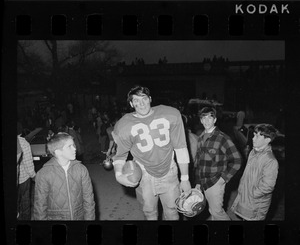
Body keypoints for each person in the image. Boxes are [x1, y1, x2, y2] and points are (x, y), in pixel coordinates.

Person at [112, 85, 191, 220]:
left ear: (150, 99)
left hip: (169, 171)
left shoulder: (170, 114)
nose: (141, 103)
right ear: (131, 104)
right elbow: (120, 156)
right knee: (149, 213)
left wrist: (185, 178)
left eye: (144, 98)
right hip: (144, 174)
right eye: (136, 100)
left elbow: (181, 148)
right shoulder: (124, 124)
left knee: (173, 212)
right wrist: (119, 175)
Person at [33, 132, 95, 220]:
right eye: (69, 146)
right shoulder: (44, 174)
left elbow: (89, 200)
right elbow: (40, 206)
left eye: (74, 145)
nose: (74, 149)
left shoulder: (81, 169)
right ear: (58, 152)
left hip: (79, 217)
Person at [194, 106, 242, 220]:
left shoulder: (223, 138)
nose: (206, 121)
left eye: (210, 118)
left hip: (215, 182)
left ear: (215, 120)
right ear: (200, 120)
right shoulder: (200, 138)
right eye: (203, 118)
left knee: (217, 212)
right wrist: (198, 183)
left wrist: (224, 178)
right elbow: (199, 163)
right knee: (212, 211)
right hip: (203, 182)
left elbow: (237, 160)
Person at [230, 124, 279, 220]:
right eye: (254, 135)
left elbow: (268, 186)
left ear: (267, 140)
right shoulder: (253, 152)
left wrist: (252, 194)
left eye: (257, 136)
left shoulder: (270, 161)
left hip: (255, 203)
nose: (253, 138)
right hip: (246, 198)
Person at [17, 122, 36, 220]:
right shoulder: (23, 143)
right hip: (23, 179)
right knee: (25, 202)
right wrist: (34, 177)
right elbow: (28, 165)